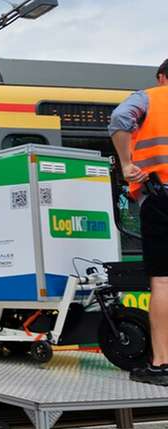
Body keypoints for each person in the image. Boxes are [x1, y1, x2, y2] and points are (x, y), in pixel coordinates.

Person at [110, 58, 168, 386]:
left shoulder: (150, 97)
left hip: (162, 197)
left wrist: (127, 163)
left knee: (163, 281)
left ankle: (161, 364)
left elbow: (119, 118)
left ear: (162, 77)